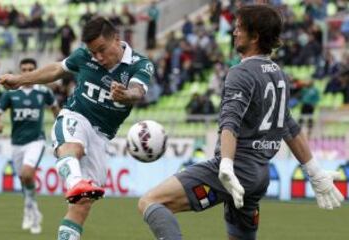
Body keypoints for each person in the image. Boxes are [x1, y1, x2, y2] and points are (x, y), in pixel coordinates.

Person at [138, 5, 344, 240]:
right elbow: (289, 125)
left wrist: (225, 165)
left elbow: (230, 122)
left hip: (235, 170)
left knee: (151, 201)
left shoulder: (240, 73)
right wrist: (314, 171)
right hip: (259, 175)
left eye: (239, 29)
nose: (234, 33)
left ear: (255, 36)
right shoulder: (278, 74)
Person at [0, 17, 153, 240]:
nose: (98, 57)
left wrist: (127, 95)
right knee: (73, 147)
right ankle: (75, 182)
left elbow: (138, 90)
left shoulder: (140, 63)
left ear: (116, 39)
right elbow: (56, 69)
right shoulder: (84, 56)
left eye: (101, 50)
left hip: (101, 138)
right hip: (75, 116)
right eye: (93, 52)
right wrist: (20, 80)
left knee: (81, 206)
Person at [0, 58, 60, 234]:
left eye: (31, 69)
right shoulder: (10, 93)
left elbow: (55, 110)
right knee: (23, 179)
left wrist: (60, 128)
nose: (28, 72)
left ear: (36, 70)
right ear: (20, 71)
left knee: (26, 173)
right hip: (16, 143)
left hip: (36, 140)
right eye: (24, 69)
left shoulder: (43, 92)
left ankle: (31, 212)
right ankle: (32, 210)